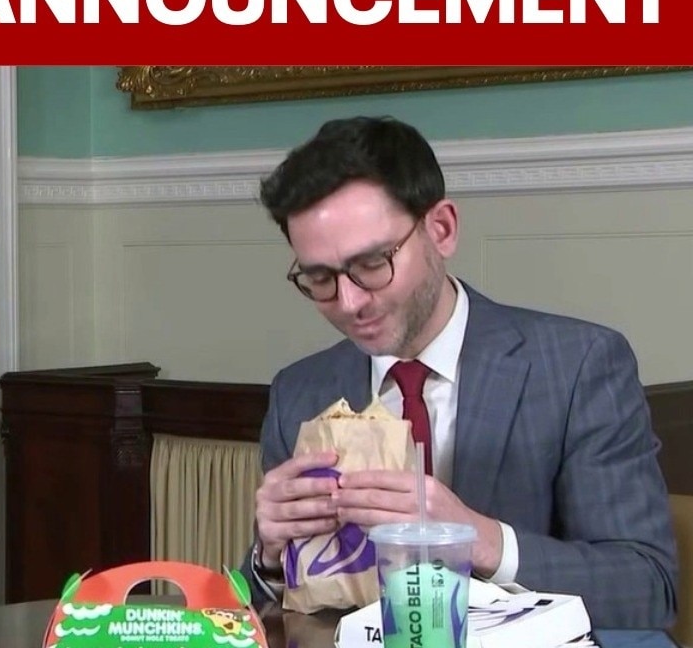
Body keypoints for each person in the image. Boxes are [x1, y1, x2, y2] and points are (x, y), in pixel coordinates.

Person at [241, 116, 678, 629]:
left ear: (442, 229)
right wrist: (269, 558)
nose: (350, 302)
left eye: (373, 263)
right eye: (320, 278)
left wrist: (479, 539)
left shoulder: (579, 367)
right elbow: (261, 613)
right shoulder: (299, 392)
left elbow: (646, 589)